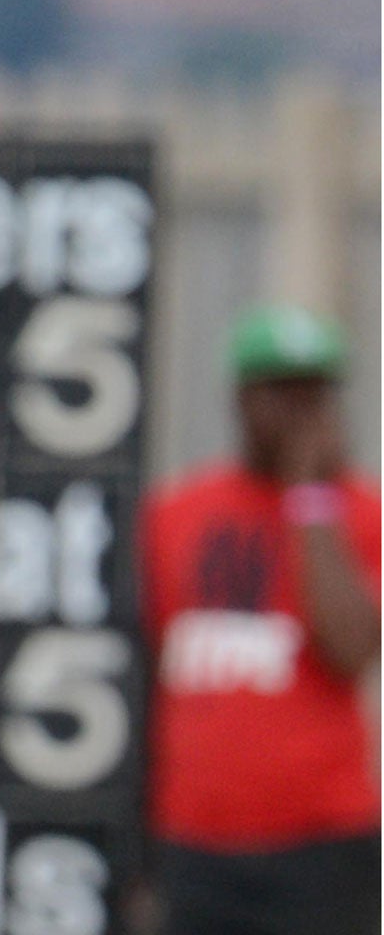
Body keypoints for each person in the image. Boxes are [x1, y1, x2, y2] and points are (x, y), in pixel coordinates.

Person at [140, 302, 381, 935]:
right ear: (244, 400)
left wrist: (312, 498)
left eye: (318, 395)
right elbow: (143, 670)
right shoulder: (175, 514)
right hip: (192, 839)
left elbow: (353, 648)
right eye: (286, 394)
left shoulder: (360, 514)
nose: (305, 414)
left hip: (322, 842)